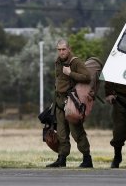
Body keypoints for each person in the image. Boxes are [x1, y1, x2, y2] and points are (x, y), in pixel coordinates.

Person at [46, 39, 93, 168]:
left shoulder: (75, 62)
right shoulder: (57, 62)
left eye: (63, 49)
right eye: (59, 49)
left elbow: (87, 77)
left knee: (77, 132)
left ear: (69, 49)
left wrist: (70, 73)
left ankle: (87, 159)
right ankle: (61, 159)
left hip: (71, 103)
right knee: (61, 133)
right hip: (59, 102)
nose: (61, 52)